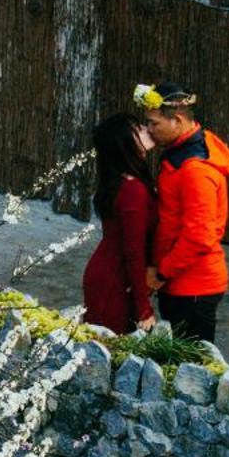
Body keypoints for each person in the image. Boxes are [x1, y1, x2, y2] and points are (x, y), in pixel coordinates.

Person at [138, 82, 229, 345]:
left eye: (153, 124)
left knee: (192, 371)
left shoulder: (195, 170)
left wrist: (161, 273)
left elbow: (199, 236)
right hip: (183, 281)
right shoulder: (185, 152)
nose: (148, 130)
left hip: (192, 285)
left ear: (177, 120)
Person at [81, 112, 159, 334]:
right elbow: (132, 252)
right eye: (138, 128)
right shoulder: (132, 189)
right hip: (113, 280)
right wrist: (143, 308)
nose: (147, 128)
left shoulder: (124, 180)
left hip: (110, 273)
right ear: (125, 142)